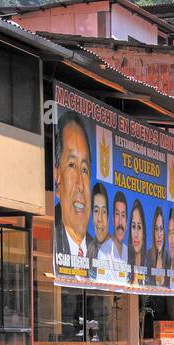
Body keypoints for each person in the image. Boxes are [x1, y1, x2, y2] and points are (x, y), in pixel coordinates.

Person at [53, 111, 95, 263]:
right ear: (57, 176)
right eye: (72, 165)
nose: (80, 185)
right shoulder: (52, 240)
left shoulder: (99, 252)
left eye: (84, 169)